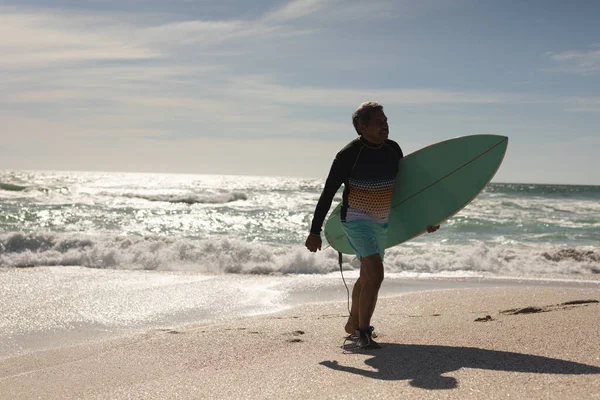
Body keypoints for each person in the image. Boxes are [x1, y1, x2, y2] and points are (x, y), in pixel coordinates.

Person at [305, 101, 439, 349]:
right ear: (362, 127)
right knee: (376, 274)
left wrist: (425, 220)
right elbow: (327, 194)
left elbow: (407, 192)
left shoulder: (392, 150)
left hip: (380, 221)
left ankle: (353, 323)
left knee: (366, 276)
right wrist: (314, 231)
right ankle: (364, 333)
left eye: (386, 121)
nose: (385, 126)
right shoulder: (348, 155)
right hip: (355, 221)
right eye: (379, 122)